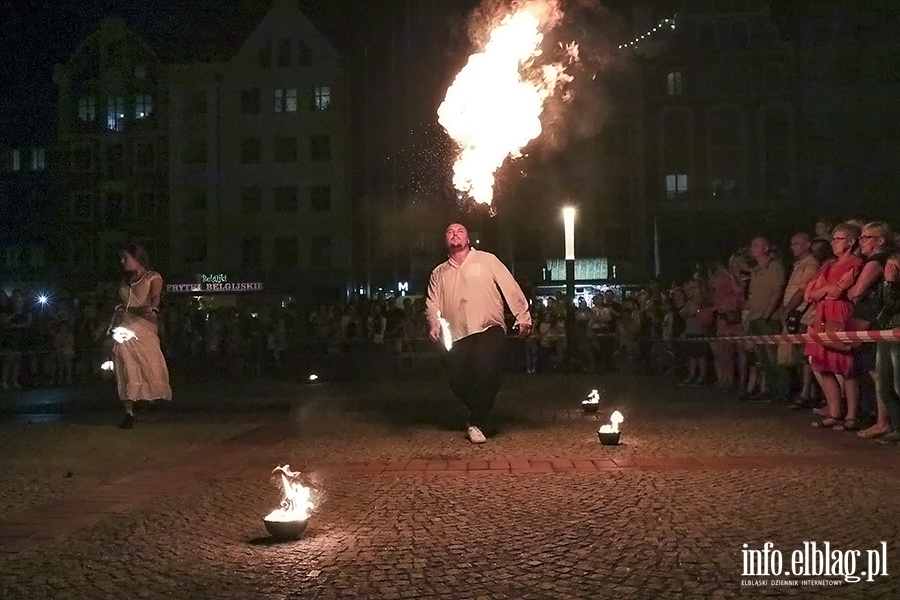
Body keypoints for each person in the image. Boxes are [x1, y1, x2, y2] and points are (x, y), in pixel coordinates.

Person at [426, 223, 532, 444]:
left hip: (488, 327)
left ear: (468, 239)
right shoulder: (439, 272)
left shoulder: (486, 260)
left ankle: (477, 421)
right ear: (445, 240)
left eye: (460, 231)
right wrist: (434, 323)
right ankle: (478, 409)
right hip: (456, 334)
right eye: (450, 232)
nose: (455, 234)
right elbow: (432, 302)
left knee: (486, 369)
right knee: (457, 379)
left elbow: (509, 286)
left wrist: (522, 315)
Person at [805, 223, 864, 430]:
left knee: (845, 366)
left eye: (838, 239)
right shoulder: (828, 265)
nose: (833, 243)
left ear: (850, 241)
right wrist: (829, 288)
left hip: (839, 313)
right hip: (822, 314)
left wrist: (825, 289)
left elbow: (839, 292)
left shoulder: (856, 262)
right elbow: (809, 293)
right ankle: (834, 412)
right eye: (833, 239)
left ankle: (852, 416)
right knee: (822, 365)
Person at [108, 244, 172, 429]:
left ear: (137, 258)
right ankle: (128, 411)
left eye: (125, 258)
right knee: (125, 365)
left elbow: (154, 296)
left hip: (144, 328)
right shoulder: (125, 281)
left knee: (147, 364)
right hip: (125, 328)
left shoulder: (153, 277)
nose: (122, 262)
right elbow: (121, 305)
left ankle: (147, 399)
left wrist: (152, 307)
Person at [775, 232, 820, 406]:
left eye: (796, 243)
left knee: (804, 357)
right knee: (796, 357)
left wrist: (787, 310)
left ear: (808, 245)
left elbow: (802, 291)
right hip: (796, 313)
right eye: (792, 243)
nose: (792, 247)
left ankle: (806, 394)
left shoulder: (810, 264)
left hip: (801, 315)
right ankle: (807, 393)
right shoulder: (799, 264)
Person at [742, 237, 786, 400]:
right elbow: (753, 296)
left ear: (766, 248)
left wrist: (767, 313)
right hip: (756, 318)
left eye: (756, 245)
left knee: (774, 358)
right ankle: (771, 390)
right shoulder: (756, 270)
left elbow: (777, 291)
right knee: (763, 360)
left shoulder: (774, 266)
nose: (752, 248)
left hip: (768, 319)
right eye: (752, 245)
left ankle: (782, 392)